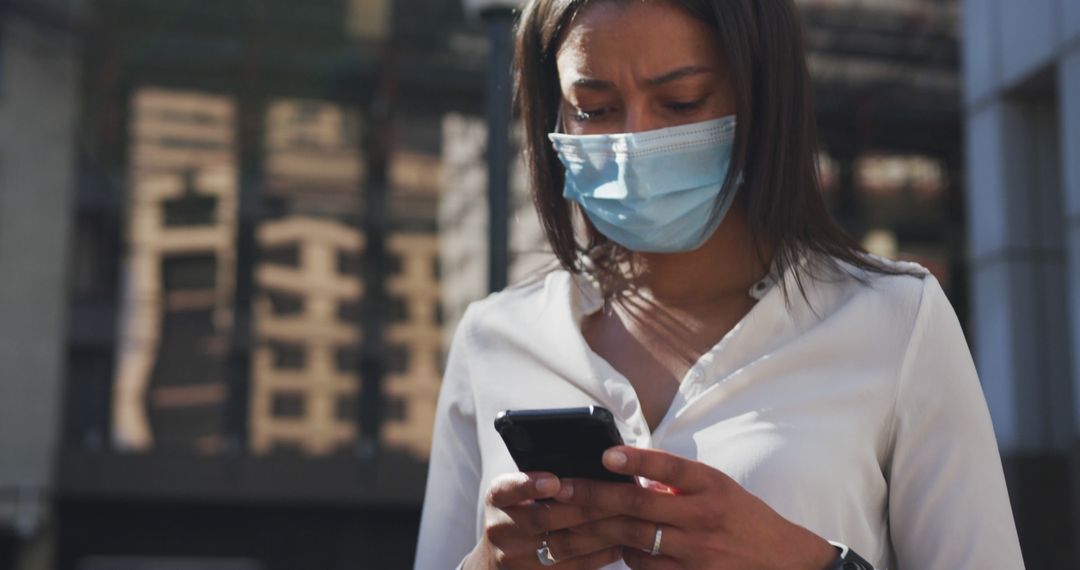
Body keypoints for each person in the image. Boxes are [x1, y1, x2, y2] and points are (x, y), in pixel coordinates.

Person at [415, 0, 1025, 568]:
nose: (634, 143)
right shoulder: (494, 338)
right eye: (594, 109)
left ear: (762, 100)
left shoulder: (896, 321)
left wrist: (809, 561)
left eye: (681, 102)